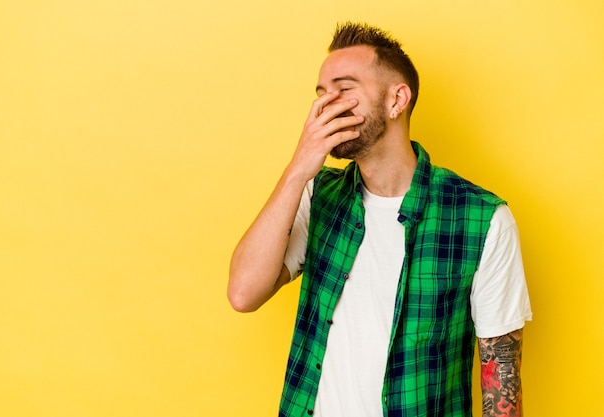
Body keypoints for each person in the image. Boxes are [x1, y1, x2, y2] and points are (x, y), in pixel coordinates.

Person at [228, 22, 532, 417]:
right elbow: (243, 294)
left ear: (396, 100)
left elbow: (501, 376)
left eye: (345, 88)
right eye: (321, 94)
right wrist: (297, 169)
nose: (326, 105)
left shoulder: (482, 219)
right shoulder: (315, 194)